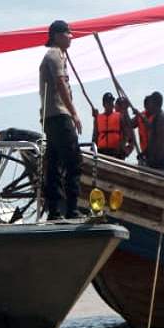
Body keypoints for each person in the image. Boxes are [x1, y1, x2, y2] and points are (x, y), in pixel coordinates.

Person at [39, 19, 82, 220]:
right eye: (67, 33)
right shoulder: (55, 55)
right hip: (59, 115)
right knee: (73, 161)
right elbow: (60, 84)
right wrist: (74, 113)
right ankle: (72, 209)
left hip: (50, 118)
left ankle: (54, 211)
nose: (70, 36)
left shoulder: (56, 55)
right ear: (57, 35)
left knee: (54, 164)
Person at [141, 91, 164, 172]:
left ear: (155, 103)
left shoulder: (161, 118)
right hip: (154, 158)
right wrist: (145, 153)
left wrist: (152, 159)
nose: (149, 105)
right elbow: (152, 139)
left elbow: (159, 142)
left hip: (159, 160)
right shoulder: (155, 117)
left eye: (150, 102)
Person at [92, 92, 126, 159]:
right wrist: (93, 149)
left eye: (112, 102)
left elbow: (125, 134)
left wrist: (121, 147)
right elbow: (95, 135)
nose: (111, 104)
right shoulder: (98, 118)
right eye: (108, 102)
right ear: (104, 104)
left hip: (116, 151)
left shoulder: (119, 116)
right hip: (101, 151)